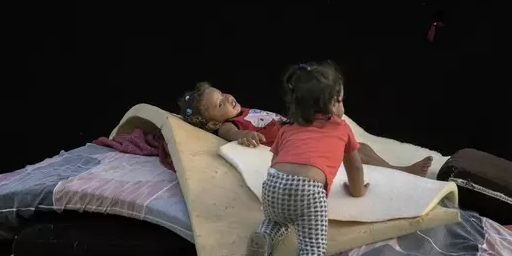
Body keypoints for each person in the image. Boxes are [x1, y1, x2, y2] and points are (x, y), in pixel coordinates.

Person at [242, 61, 369, 256]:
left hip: (274, 183)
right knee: (312, 247)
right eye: (342, 100)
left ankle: (263, 239)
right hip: (308, 190)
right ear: (333, 103)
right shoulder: (343, 129)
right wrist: (357, 192)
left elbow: (276, 160)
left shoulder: (287, 128)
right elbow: (355, 168)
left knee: (278, 218)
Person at [178, 83, 433, 177]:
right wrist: (245, 136)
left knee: (360, 146)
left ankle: (398, 169)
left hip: (300, 130)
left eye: (222, 93)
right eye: (220, 103)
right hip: (297, 145)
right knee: (351, 153)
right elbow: (232, 135)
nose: (228, 98)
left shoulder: (242, 111)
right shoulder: (229, 125)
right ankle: (403, 172)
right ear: (212, 123)